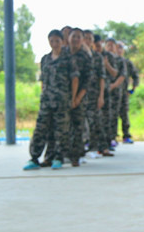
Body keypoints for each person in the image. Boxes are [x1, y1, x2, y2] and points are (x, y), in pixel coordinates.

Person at [24, 30, 78, 170]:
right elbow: (43, 80)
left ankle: (58, 158)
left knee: (61, 130)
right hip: (47, 100)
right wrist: (43, 94)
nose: (54, 44)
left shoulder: (69, 59)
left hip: (62, 100)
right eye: (52, 41)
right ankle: (34, 158)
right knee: (40, 129)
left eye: (57, 41)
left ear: (61, 41)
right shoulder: (45, 59)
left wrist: (73, 98)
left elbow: (74, 79)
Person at [67, 28, 93, 167]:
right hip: (63, 97)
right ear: (69, 38)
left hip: (80, 97)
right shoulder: (63, 54)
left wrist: (77, 98)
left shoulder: (85, 57)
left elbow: (88, 81)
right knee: (63, 127)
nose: (75, 39)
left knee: (77, 127)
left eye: (78, 37)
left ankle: (75, 156)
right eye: (73, 36)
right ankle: (60, 154)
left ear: (82, 40)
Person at [85, 32, 113, 157]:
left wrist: (101, 96)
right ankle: (85, 147)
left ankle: (103, 147)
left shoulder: (97, 57)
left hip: (94, 94)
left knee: (97, 121)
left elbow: (102, 77)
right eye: (85, 38)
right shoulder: (75, 56)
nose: (87, 41)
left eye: (89, 39)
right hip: (79, 95)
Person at [118, 44, 139, 143]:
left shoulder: (127, 63)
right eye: (116, 47)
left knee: (124, 115)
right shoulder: (108, 60)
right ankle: (111, 138)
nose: (118, 50)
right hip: (111, 94)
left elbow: (135, 76)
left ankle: (126, 135)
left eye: (120, 48)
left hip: (123, 93)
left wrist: (132, 89)